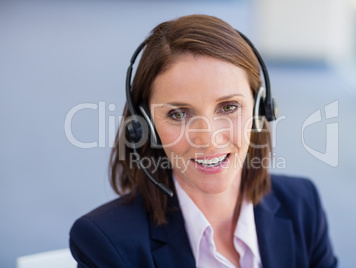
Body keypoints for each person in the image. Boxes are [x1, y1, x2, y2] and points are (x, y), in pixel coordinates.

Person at [69, 14, 337, 268]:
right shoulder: (105, 243)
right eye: (179, 114)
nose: (208, 139)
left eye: (229, 107)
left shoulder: (303, 205)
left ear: (259, 110)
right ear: (145, 126)